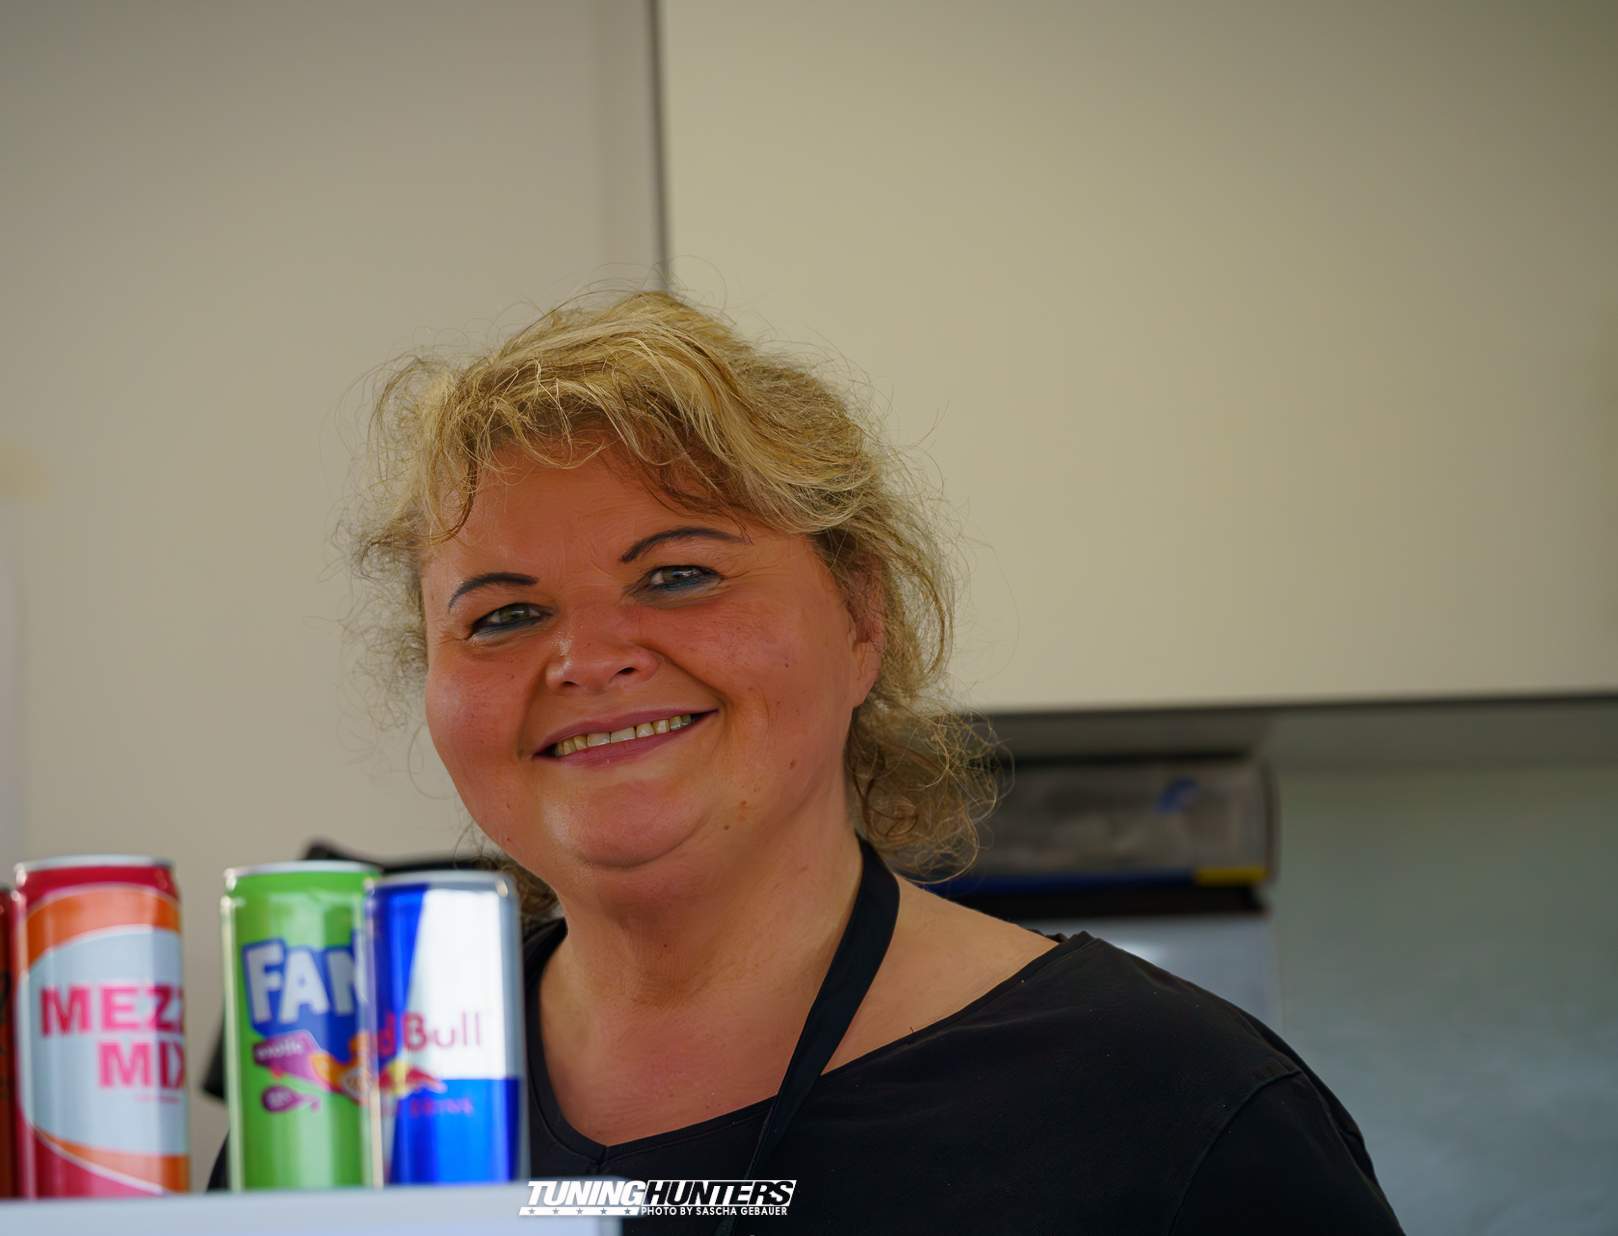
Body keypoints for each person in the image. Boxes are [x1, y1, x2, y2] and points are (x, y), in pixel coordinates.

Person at [336, 292, 1404, 1232]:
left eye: (677, 575)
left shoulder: (1174, 1103)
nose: (586, 658)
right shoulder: (342, 1103)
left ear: (859, 617)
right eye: (504, 614)